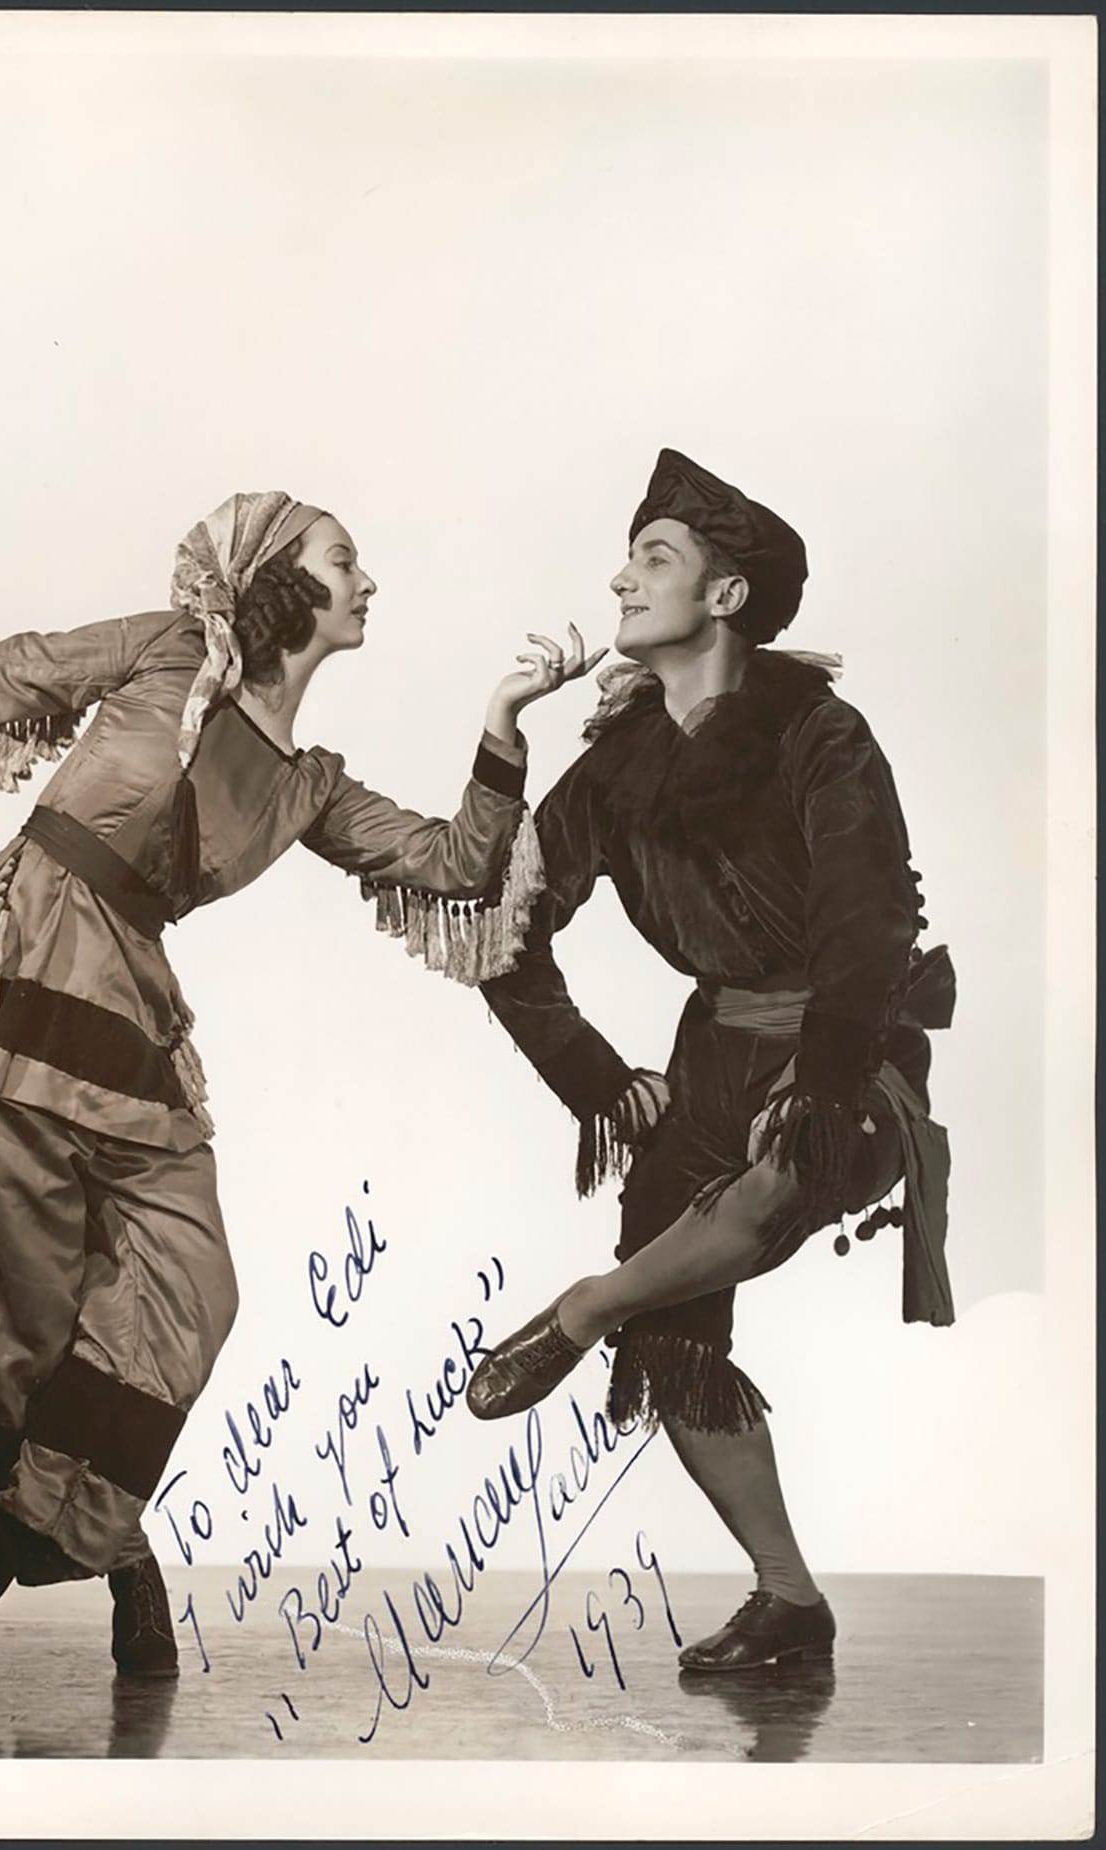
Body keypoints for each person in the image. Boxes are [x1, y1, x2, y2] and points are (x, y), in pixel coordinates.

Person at [0, 491, 603, 1677]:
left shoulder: (308, 782)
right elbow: (10, 669)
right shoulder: (168, 649)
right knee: (34, 1317)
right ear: (281, 582)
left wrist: (503, 719)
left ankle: (13, 1532)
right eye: (345, 560)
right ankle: (116, 1561)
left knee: (190, 1287)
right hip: (17, 981)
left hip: (129, 1014)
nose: (368, 580)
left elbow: (455, 864)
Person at [469, 450, 955, 1672]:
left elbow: (865, 922)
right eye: (627, 558)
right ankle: (789, 1600)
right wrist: (594, 1076)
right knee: (673, 1340)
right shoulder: (611, 768)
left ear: (725, 595)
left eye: (653, 558)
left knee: (775, 1175)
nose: (620, 581)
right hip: (709, 1060)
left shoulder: (820, 734)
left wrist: (824, 1071)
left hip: (849, 1042)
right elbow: (500, 926)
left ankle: (579, 1308)